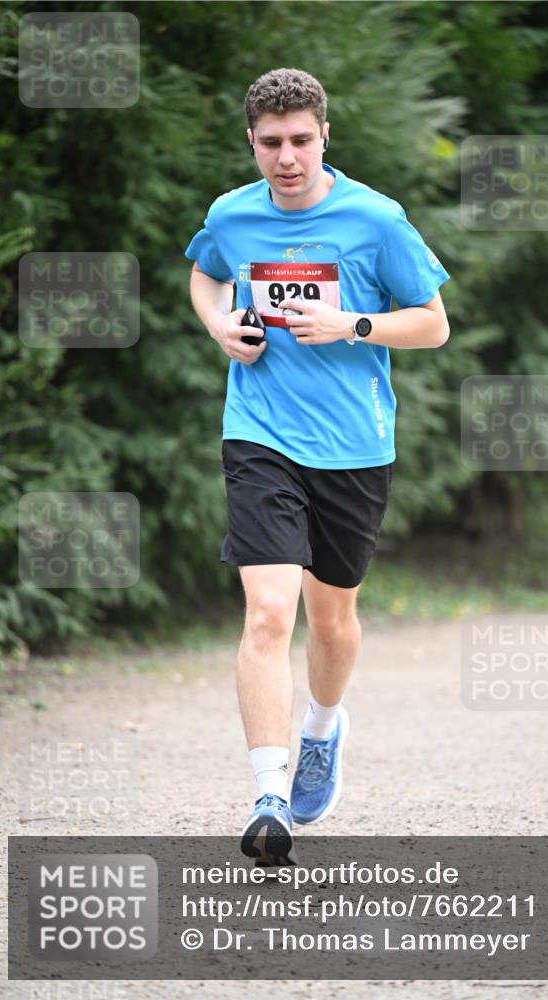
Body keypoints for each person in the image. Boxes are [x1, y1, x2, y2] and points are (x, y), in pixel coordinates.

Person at [185, 67, 450, 865]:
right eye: (271, 143)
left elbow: (432, 325)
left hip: (354, 445)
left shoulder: (375, 219)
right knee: (269, 613)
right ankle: (269, 796)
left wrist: (352, 323)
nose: (287, 157)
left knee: (331, 619)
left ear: (324, 135)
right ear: (252, 143)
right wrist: (218, 327)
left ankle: (322, 732)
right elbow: (204, 271)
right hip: (259, 432)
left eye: (301, 140)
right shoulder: (232, 215)